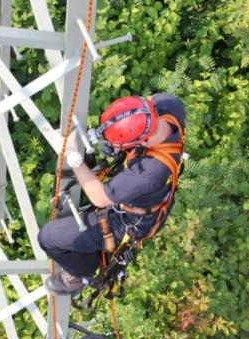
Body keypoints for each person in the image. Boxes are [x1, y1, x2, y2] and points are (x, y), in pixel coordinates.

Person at [38, 93, 186, 295]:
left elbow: (100, 198)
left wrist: (73, 157)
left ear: (142, 141)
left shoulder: (149, 172)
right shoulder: (168, 106)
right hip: (142, 198)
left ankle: (81, 273)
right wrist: (113, 139)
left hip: (126, 222)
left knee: (47, 237)